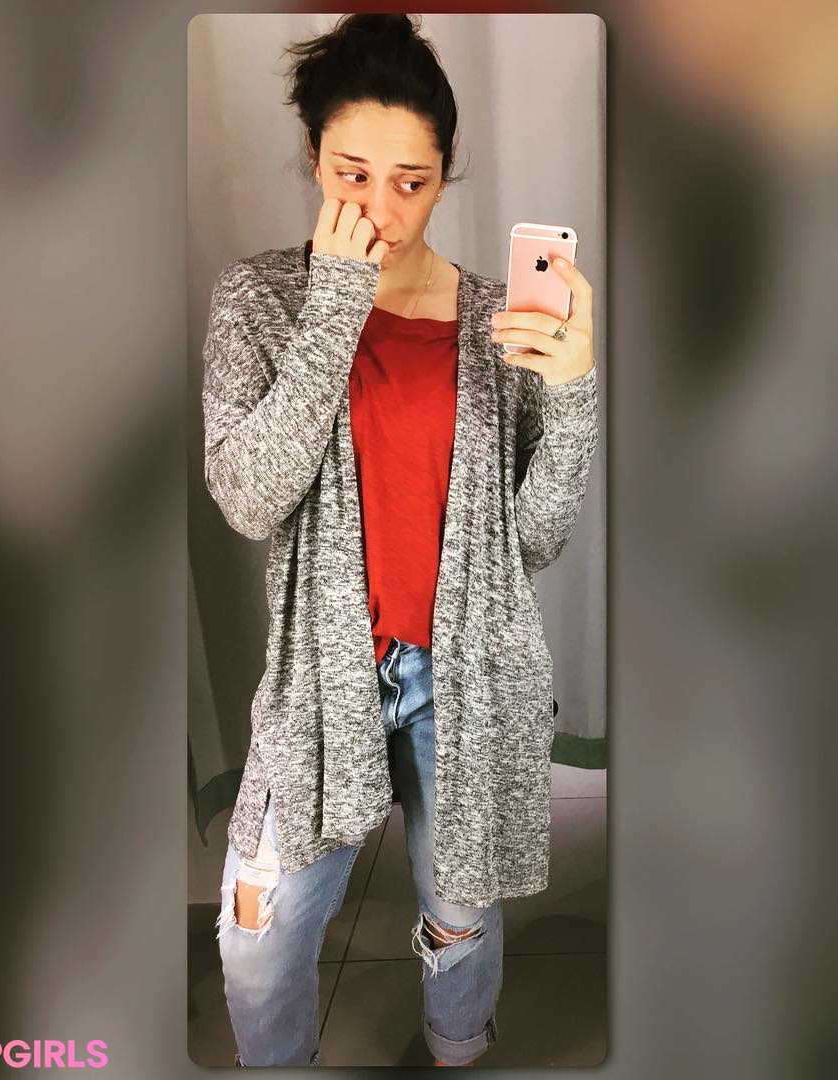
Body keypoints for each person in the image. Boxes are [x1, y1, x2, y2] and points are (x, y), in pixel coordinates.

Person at [202, 13, 598, 1067]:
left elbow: (535, 541)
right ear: (313, 156)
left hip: (466, 676)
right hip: (320, 678)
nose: (380, 209)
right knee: (257, 936)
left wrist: (573, 397)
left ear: (446, 174)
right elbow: (248, 497)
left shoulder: (493, 319)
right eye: (352, 176)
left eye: (411, 182)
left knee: (459, 912)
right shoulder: (260, 299)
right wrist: (338, 308)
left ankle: (457, 1047)